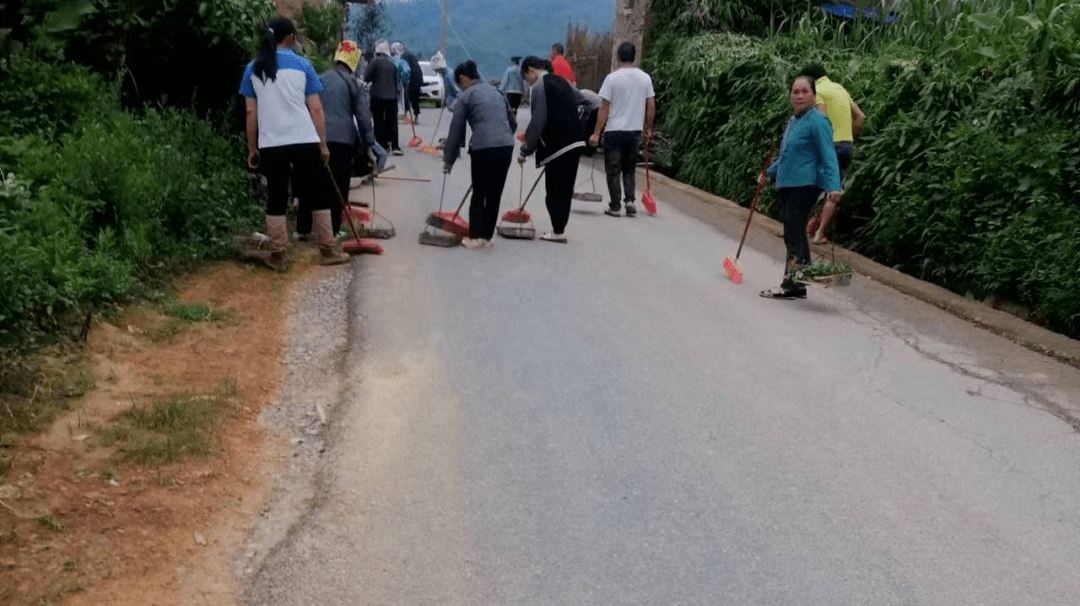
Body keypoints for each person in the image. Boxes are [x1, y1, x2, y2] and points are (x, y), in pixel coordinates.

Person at [239, 17, 348, 270]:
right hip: (304, 140)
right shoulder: (304, 65)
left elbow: (250, 114)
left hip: (271, 144)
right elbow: (316, 108)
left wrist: (252, 150)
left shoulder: (252, 69)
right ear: (289, 39)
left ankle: (278, 256)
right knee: (317, 193)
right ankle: (327, 250)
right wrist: (323, 145)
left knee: (276, 195)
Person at [758, 75, 842, 299]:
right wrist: (768, 173)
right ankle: (797, 283)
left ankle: (795, 279)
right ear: (790, 96)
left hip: (804, 184)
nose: (800, 96)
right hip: (787, 184)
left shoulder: (817, 120)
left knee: (793, 232)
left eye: (805, 91)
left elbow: (828, 155)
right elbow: (786, 155)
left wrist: (835, 187)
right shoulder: (794, 121)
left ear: (813, 95)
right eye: (795, 92)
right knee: (792, 233)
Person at [298, 40, 378, 239]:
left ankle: (303, 230)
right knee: (338, 186)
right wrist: (369, 147)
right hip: (343, 141)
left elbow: (308, 106)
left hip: (316, 137)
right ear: (354, 62)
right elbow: (363, 117)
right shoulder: (354, 85)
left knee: (313, 182)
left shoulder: (320, 79)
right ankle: (331, 231)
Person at [442, 60, 517, 250]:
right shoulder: (497, 92)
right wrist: (503, 137)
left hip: (483, 148)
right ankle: (487, 237)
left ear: (463, 79)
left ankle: (475, 238)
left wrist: (448, 160)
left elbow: (456, 130)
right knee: (494, 193)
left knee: (479, 193)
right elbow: (512, 122)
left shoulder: (466, 96)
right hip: (506, 146)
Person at [518, 55, 587, 243]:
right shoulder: (563, 82)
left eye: (526, 78)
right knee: (565, 189)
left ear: (531, 71)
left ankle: (558, 231)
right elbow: (589, 100)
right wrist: (581, 120)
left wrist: (526, 150)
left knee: (554, 190)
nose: (528, 83)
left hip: (558, 146)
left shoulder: (539, 87)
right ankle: (559, 230)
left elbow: (538, 120)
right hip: (576, 143)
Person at [799, 64, 865, 245]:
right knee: (833, 190)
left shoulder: (818, 91)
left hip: (829, 146)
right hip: (846, 146)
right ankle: (818, 233)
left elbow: (820, 121)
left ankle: (798, 227)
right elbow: (860, 116)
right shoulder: (840, 89)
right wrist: (849, 137)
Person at [589, 42, 655, 217]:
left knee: (613, 169)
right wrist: (647, 127)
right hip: (634, 131)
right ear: (635, 57)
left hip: (614, 131)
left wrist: (596, 133)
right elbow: (651, 104)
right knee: (629, 168)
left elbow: (604, 107)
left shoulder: (612, 78)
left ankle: (615, 206)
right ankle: (630, 200)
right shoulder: (645, 78)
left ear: (618, 56)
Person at [365, 40, 403, 155]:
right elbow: (396, 80)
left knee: (378, 121)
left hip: (377, 96)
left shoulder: (374, 62)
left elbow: (367, 77)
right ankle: (395, 146)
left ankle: (382, 145)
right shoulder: (393, 63)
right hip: (392, 97)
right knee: (392, 122)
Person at [403, 45, 424, 123]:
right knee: (415, 101)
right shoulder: (417, 67)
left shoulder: (407, 65)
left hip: (411, 85)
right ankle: (416, 117)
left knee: (407, 99)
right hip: (416, 85)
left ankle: (406, 115)